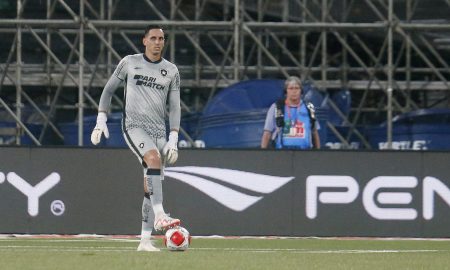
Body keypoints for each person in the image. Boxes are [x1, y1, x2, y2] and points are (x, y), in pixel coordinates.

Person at [90, 25, 181, 252]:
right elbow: (109, 90)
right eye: (153, 38)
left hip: (159, 131)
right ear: (144, 41)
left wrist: (173, 137)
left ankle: (144, 241)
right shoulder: (129, 62)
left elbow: (175, 106)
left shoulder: (171, 70)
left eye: (161, 38)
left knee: (150, 185)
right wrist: (101, 119)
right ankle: (160, 215)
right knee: (152, 159)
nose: (158, 42)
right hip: (134, 126)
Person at [261, 76, 320, 150]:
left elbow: (315, 132)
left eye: (297, 88)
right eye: (291, 88)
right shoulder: (277, 107)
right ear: (286, 91)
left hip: (306, 153)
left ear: (301, 91)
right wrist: (263, 153)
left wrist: (318, 152)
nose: (294, 91)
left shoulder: (309, 107)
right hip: (281, 153)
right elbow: (267, 132)